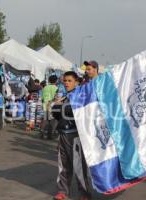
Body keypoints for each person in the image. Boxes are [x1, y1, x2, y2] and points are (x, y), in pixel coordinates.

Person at [52, 71, 91, 200]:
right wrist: (56, 106)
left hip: (75, 135)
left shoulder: (80, 96)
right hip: (62, 134)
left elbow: (76, 112)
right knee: (63, 165)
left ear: (76, 82)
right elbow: (56, 115)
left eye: (69, 81)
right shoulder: (65, 96)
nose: (66, 83)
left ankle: (84, 193)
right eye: (65, 80)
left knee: (79, 166)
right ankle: (63, 191)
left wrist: (60, 106)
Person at [41, 75, 58, 139]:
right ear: (56, 80)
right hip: (52, 106)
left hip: (45, 105)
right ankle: (49, 135)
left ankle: (42, 133)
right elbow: (56, 98)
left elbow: (42, 98)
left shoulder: (45, 87)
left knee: (45, 120)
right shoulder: (56, 88)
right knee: (52, 121)